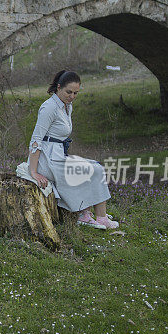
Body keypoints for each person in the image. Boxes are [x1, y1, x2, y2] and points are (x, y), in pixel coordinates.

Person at [27, 70, 118, 230]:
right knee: (93, 170)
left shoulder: (67, 106)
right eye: (69, 92)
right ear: (59, 87)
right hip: (48, 160)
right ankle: (89, 216)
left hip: (58, 155)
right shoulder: (49, 107)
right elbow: (36, 140)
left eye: (76, 93)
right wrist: (33, 171)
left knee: (96, 167)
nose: (72, 96)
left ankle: (93, 215)